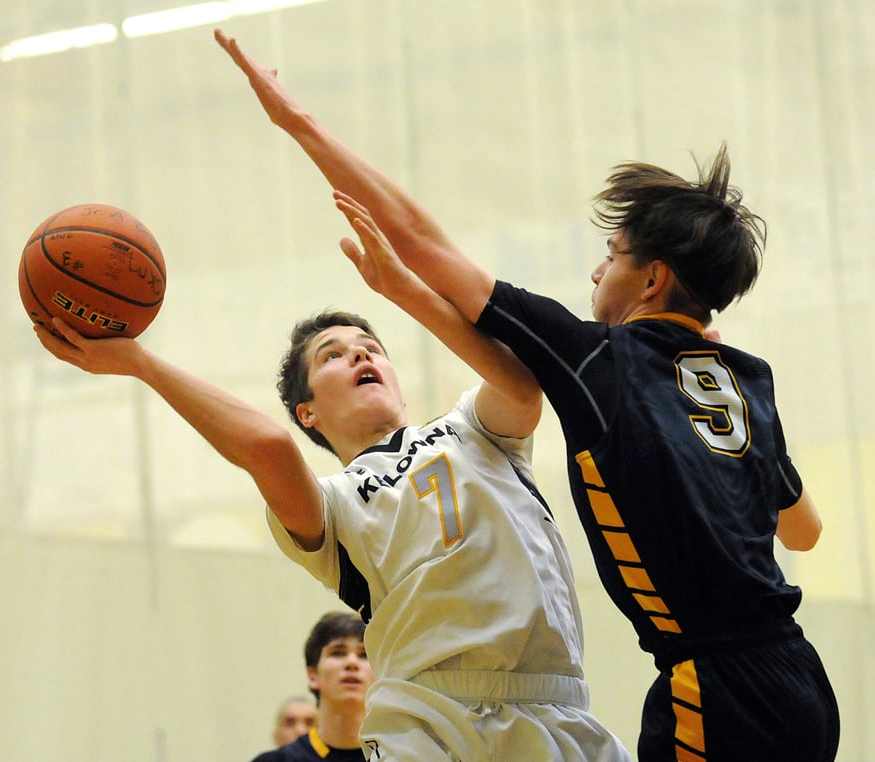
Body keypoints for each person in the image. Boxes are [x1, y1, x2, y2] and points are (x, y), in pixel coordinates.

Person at [213, 30, 840, 762]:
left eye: (610, 257)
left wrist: (302, 126)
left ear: (651, 279)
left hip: (714, 687)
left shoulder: (600, 360)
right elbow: (802, 530)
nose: (595, 272)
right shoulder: (747, 379)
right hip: (802, 680)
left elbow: (419, 238)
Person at [33, 213, 629, 757]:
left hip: (558, 707)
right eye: (332, 356)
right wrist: (139, 361)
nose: (359, 355)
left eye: (370, 347)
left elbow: (523, 385)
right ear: (308, 413)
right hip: (429, 719)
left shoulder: (473, 428)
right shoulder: (333, 502)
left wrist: (404, 290)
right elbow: (265, 447)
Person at [252, 611, 371, 761]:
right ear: (313, 675)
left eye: (364, 654)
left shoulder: (401, 755)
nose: (352, 662)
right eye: (338, 653)